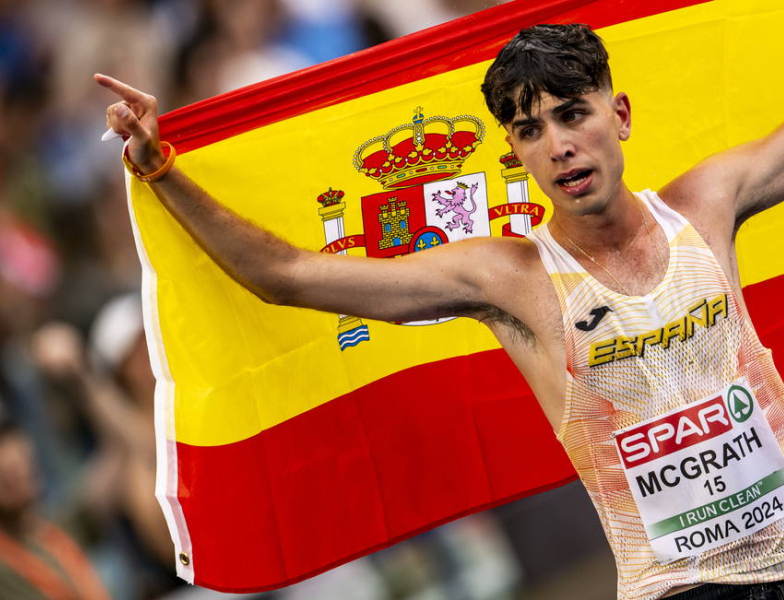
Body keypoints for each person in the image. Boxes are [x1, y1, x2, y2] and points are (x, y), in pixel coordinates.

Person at [95, 23, 784, 600]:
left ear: (621, 116)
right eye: (530, 130)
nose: (558, 145)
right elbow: (287, 277)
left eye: (573, 114)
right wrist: (162, 170)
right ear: (515, 151)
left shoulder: (706, 205)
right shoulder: (511, 279)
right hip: (680, 590)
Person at [0, 421, 110, 599]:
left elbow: (105, 485)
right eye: (4, 477)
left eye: (23, 466)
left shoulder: (55, 529)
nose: (19, 481)